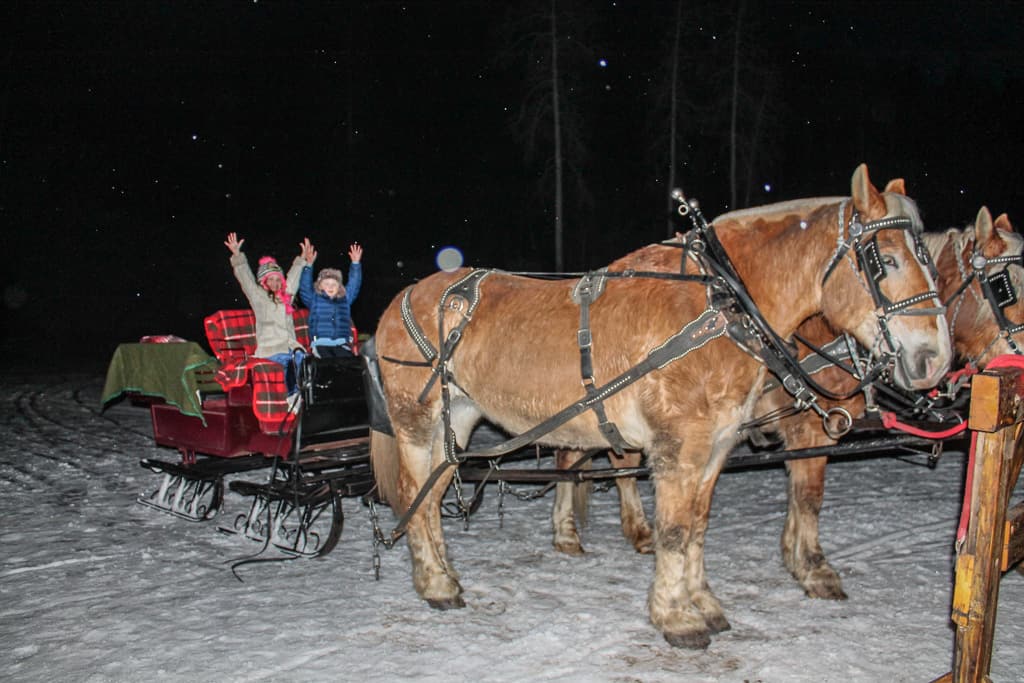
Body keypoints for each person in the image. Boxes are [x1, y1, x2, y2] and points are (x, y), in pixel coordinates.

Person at [224, 232, 306, 393]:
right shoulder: (258, 297)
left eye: (277, 280)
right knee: (286, 373)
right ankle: (290, 398)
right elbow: (246, 279)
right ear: (263, 282)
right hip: (272, 349)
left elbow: (293, 279)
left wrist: (301, 259)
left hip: (291, 347)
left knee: (304, 364)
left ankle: (299, 399)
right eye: (270, 279)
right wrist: (237, 256)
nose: (275, 283)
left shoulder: (286, 297)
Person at [297, 237, 362, 358]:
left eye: (334, 284)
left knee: (348, 366)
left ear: (339, 287)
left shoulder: (345, 299)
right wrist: (309, 265)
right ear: (320, 286)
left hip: (342, 343)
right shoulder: (315, 299)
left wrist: (355, 264)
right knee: (326, 367)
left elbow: (354, 284)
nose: (330, 287)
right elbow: (305, 287)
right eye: (326, 284)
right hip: (320, 343)